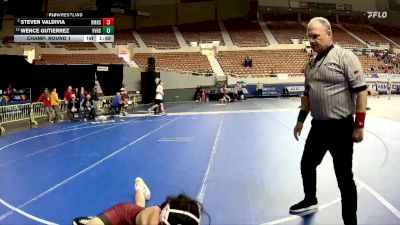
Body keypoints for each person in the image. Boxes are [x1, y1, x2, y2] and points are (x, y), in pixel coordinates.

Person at [291, 17, 367, 225]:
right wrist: (300, 121)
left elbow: (361, 91)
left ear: (329, 33)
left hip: (341, 127)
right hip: (319, 127)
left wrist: (359, 126)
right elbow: (307, 95)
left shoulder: (345, 57)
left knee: (344, 177)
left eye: (316, 36)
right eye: (309, 37)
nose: (312, 40)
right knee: (307, 164)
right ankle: (310, 199)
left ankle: (350, 221)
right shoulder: (310, 64)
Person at [72, 177, 203, 225]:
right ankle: (139, 185)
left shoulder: (166, 214)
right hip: (123, 214)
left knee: (140, 206)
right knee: (137, 208)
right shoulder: (157, 218)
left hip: (139, 213)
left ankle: (140, 186)